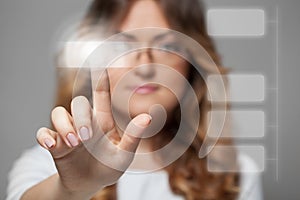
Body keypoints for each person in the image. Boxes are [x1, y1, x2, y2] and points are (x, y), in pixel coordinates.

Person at [6, 0, 262, 199]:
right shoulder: (51, 162)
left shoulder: (234, 173)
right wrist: (73, 189)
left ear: (193, 66)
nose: (145, 66)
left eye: (167, 47)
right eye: (122, 45)